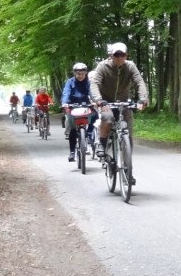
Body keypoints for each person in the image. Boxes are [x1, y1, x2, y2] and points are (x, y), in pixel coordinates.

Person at [90, 43, 150, 185]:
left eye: (121, 55)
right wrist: (99, 100)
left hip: (123, 102)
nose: (119, 58)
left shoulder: (130, 66)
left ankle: (128, 171)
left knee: (128, 137)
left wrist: (143, 98)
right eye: (116, 55)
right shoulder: (102, 67)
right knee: (107, 117)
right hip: (106, 102)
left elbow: (139, 81)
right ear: (111, 56)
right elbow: (94, 84)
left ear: (126, 55)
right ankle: (102, 143)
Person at [61, 62, 96, 162]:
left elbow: (92, 93)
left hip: (86, 104)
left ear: (85, 73)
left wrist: (95, 101)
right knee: (72, 128)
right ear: (75, 73)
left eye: (82, 74)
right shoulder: (70, 82)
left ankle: (89, 133)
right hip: (72, 105)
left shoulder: (89, 82)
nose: (80, 76)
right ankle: (72, 152)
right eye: (78, 74)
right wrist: (64, 103)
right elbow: (66, 93)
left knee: (95, 115)